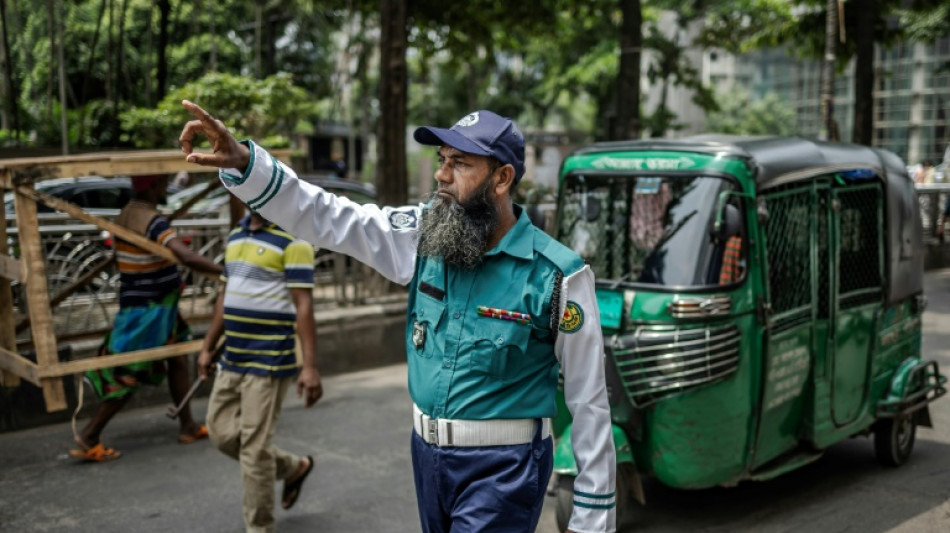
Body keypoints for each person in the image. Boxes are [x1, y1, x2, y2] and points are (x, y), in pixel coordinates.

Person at [179, 101, 617, 533]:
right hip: (427, 458)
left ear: (502, 178)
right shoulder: (425, 233)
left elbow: (589, 404)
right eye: (442, 160)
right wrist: (246, 163)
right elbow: (330, 215)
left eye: (460, 164)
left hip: (505, 469)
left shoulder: (558, 275)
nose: (442, 175)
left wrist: (591, 522)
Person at [72, 174, 223, 461]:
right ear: (153, 187)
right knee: (129, 372)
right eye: (163, 183)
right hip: (149, 311)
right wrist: (225, 271)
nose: (167, 188)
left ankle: (187, 425)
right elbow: (186, 256)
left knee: (178, 360)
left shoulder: (126, 214)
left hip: (157, 305)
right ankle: (90, 433)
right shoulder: (153, 221)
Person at [197, 207, 323, 533]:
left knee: (254, 450)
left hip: (268, 360)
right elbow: (224, 297)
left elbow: (303, 305)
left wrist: (309, 366)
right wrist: (208, 345)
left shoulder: (293, 241)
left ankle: (259, 528)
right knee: (220, 432)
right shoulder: (236, 236)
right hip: (233, 357)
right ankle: (294, 467)